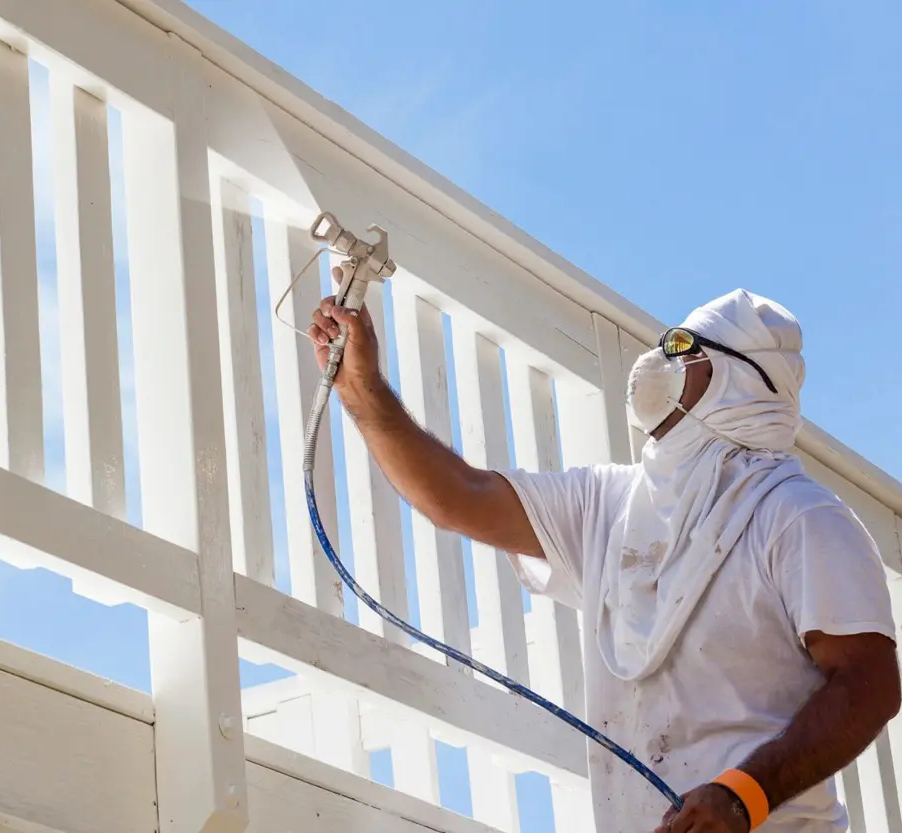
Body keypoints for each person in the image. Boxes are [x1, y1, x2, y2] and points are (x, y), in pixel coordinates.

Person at [309, 280, 900, 833]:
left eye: (682, 347)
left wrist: (743, 795)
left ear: (732, 378)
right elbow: (458, 498)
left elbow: (871, 683)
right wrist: (364, 390)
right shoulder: (607, 503)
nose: (659, 359)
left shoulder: (797, 516)